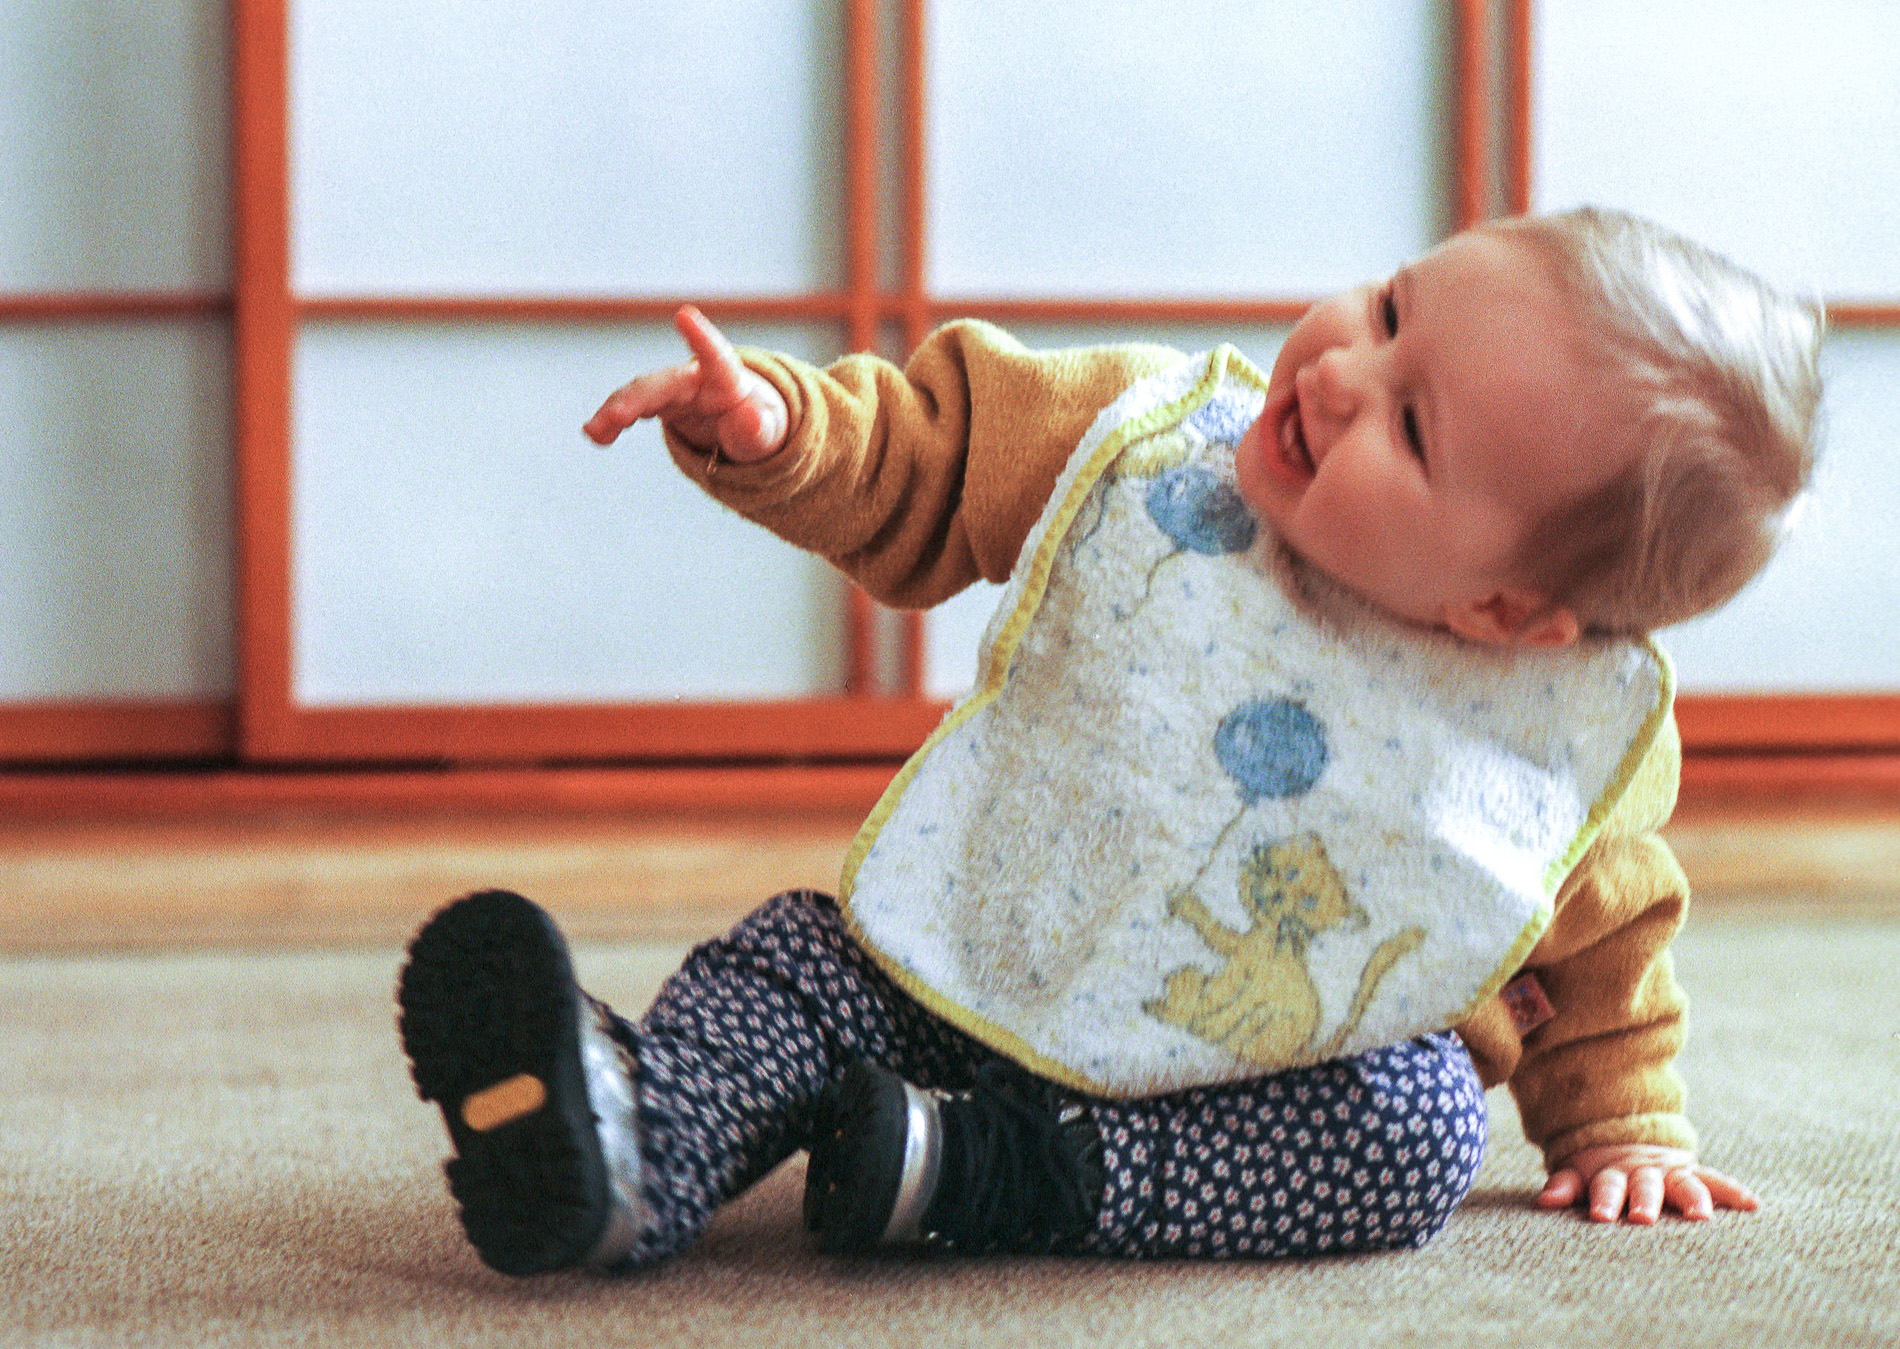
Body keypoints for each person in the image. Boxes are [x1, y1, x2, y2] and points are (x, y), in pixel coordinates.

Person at [397, 207, 1822, 1276]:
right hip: (977, 948)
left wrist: (1622, 1124)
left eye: (1412, 427)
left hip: (1233, 1084)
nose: (1341, 371)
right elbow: (929, 458)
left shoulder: (1539, 753)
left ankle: (998, 1172)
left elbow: (1603, 944)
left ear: (1507, 609)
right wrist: (786, 432)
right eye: (1392, 308)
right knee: (802, 967)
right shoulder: (1147, 445)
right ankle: (635, 1139)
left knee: (1418, 1132)